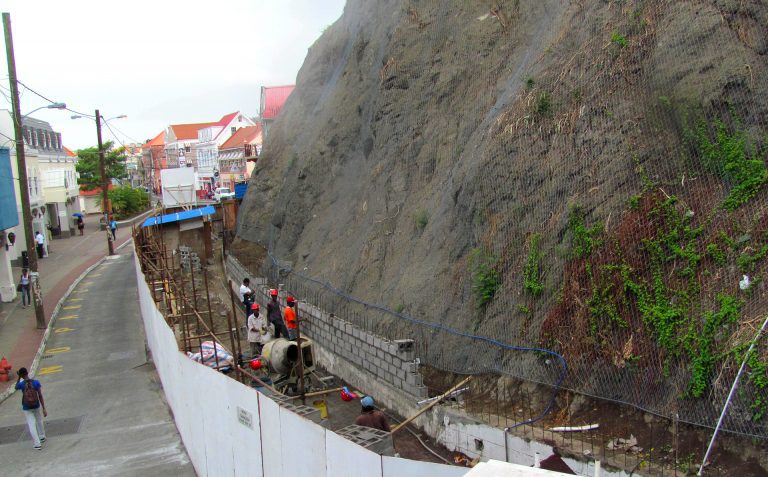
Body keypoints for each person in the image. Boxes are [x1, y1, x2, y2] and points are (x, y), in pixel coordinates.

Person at [15, 367, 47, 449]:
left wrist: (18, 377)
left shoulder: (21, 384)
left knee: (31, 424)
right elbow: (40, 395)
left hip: (26, 407)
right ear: (27, 372)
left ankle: (37, 444)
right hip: (36, 405)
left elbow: (16, 387)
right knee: (39, 420)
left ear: (21, 375)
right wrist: (43, 408)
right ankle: (42, 436)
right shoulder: (36, 382)